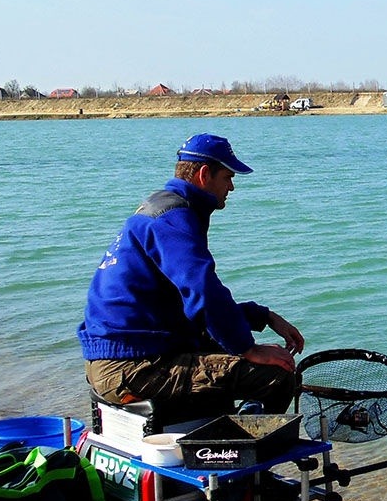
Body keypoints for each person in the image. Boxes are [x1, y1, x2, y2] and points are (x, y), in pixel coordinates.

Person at [78, 133, 305, 417]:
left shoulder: (159, 209)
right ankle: (235, 455)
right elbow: (203, 292)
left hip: (122, 354)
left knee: (226, 351)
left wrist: (263, 317)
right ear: (204, 174)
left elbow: (191, 305)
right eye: (227, 177)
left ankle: (225, 431)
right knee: (276, 375)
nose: (232, 187)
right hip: (132, 366)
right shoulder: (175, 218)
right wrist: (248, 349)